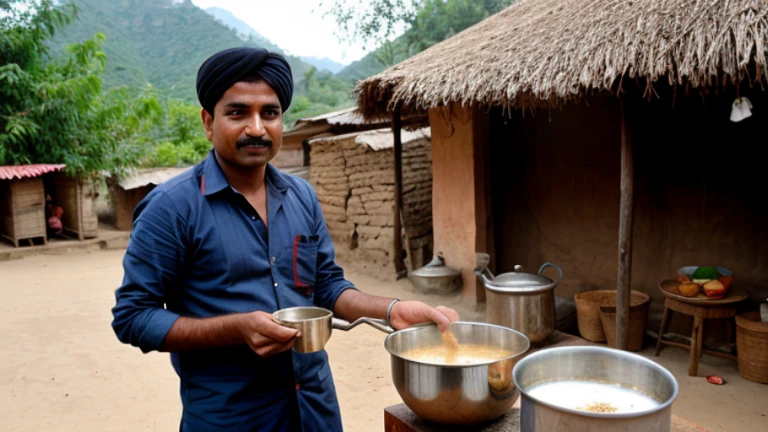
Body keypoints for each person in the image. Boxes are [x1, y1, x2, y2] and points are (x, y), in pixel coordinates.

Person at [110, 47, 459, 432]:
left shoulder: (301, 196)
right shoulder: (171, 208)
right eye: (238, 112)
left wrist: (392, 309)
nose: (257, 128)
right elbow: (133, 317)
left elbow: (326, 285)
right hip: (229, 418)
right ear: (208, 122)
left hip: (315, 409)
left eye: (270, 113)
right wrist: (235, 328)